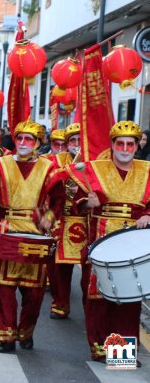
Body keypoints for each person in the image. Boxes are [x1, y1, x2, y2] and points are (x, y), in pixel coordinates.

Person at [0, 120, 65, 353]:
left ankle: (26, 332)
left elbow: (59, 197)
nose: (23, 143)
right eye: (19, 138)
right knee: (3, 285)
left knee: (34, 291)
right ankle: (5, 336)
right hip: (6, 228)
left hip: (36, 234)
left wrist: (50, 217)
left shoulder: (49, 167)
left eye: (29, 139)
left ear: (38, 144)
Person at [65, 121, 149, 364]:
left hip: (133, 243)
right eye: (120, 143)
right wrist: (86, 203)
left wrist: (147, 215)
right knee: (98, 297)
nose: (125, 148)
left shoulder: (148, 171)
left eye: (129, 144)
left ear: (136, 147)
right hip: (100, 241)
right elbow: (73, 200)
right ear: (112, 146)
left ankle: (121, 354)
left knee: (129, 300)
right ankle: (100, 348)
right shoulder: (94, 169)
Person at [46, 123, 86, 320]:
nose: (76, 144)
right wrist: (69, 169)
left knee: (88, 268)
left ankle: (90, 306)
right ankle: (60, 304)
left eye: (80, 140)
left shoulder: (96, 161)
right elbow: (48, 181)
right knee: (58, 267)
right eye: (72, 140)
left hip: (86, 220)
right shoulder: (56, 160)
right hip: (61, 218)